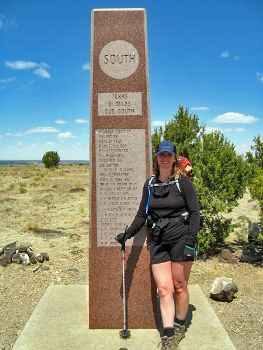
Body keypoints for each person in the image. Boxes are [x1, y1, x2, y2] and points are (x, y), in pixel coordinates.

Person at [116, 140, 200, 350]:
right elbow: (141, 214)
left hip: (181, 239)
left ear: (174, 158)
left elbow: (195, 213)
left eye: (168, 155)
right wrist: (127, 234)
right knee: (164, 289)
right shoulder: (150, 184)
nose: (164, 158)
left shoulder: (183, 183)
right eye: (161, 155)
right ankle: (168, 335)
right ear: (157, 157)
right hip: (158, 241)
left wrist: (190, 239)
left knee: (179, 285)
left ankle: (180, 325)